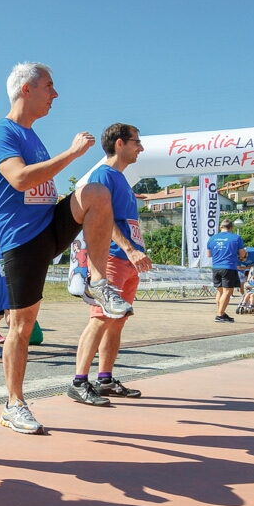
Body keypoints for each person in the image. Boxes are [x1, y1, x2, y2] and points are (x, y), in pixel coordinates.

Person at [0, 62, 131, 435]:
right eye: (49, 86)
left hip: (48, 227)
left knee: (96, 193)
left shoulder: (33, 136)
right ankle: (14, 404)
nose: (56, 94)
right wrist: (71, 154)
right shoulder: (1, 133)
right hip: (21, 240)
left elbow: (42, 186)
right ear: (26, 90)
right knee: (22, 325)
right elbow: (19, 178)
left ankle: (98, 281)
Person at [69, 124, 152, 406]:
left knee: (117, 322)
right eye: (136, 142)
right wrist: (129, 250)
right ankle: (79, 382)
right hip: (113, 258)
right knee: (100, 318)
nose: (140, 147)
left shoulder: (121, 181)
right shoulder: (103, 174)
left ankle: (104, 379)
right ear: (120, 143)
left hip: (128, 262)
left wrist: (137, 250)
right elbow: (102, 220)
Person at [206, 219, 246, 322]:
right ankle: (220, 315)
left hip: (216, 267)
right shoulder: (236, 238)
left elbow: (209, 254)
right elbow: (242, 254)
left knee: (220, 291)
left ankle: (221, 313)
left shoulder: (212, 238)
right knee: (227, 292)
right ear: (231, 228)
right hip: (228, 267)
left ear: (221, 227)